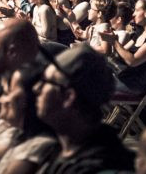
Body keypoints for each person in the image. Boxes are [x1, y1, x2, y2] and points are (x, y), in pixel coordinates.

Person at [34, 44, 134, 173]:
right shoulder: (57, 148)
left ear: (68, 97)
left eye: (46, 82)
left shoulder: (100, 167)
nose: (36, 88)